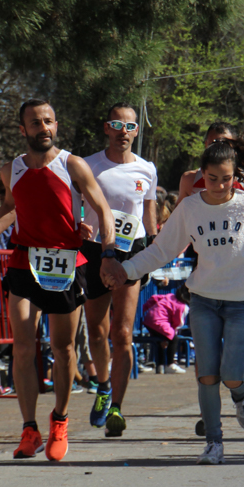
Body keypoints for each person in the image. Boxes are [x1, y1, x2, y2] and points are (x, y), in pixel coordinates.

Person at [121, 139, 244, 465]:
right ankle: (213, 442)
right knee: (207, 373)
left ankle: (241, 393)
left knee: (231, 374)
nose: (219, 186)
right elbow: (162, 250)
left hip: (241, 302)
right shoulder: (190, 208)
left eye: (226, 179)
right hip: (204, 300)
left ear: (236, 177)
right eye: (212, 178)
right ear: (201, 177)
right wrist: (126, 271)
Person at [0, 99, 125, 462]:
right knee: (22, 346)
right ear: (23, 129)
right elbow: (10, 208)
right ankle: (28, 429)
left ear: (56, 125)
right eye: (35, 123)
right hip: (24, 260)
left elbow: (102, 208)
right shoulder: (11, 170)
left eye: (49, 121)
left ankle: (60, 421)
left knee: (62, 348)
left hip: (65, 262)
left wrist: (109, 246)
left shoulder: (72, 164)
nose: (44, 128)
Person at [79, 104, 158, 437]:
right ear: (106, 129)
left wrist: (154, 247)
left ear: (136, 131)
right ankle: (103, 385)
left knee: (122, 333)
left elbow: (149, 207)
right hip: (95, 249)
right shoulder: (87, 166)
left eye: (129, 126)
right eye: (116, 124)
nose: (122, 131)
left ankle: (117, 409)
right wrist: (77, 226)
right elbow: (74, 205)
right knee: (96, 330)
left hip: (132, 251)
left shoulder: (147, 169)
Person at [177, 121, 244, 226]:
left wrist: (243, 226)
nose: (220, 148)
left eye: (225, 144)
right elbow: (177, 219)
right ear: (206, 145)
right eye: (214, 143)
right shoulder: (190, 179)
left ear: (235, 146)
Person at [142, 285, 191, 374]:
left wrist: (145, 308)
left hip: (149, 320)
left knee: (161, 341)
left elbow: (154, 298)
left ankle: (160, 366)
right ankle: (170, 364)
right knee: (174, 338)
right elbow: (178, 322)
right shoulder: (183, 306)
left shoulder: (169, 296)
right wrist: (173, 332)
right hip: (159, 322)